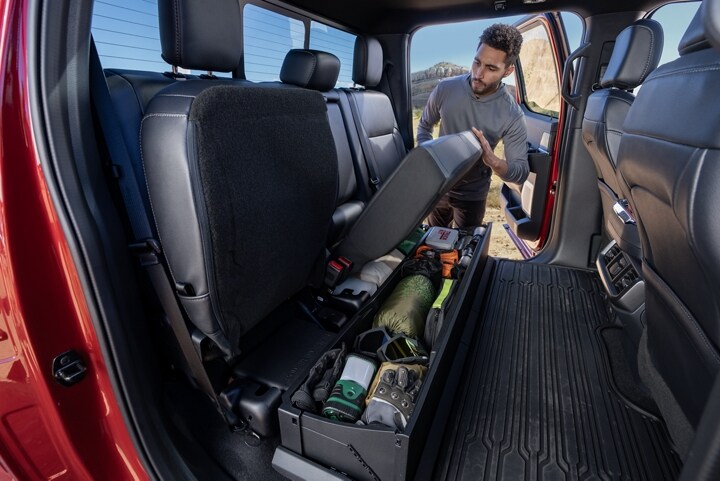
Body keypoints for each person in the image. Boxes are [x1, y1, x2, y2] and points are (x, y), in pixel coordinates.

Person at [416, 23, 529, 229]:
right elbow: (424, 126)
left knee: (464, 252)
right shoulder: (445, 88)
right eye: (477, 62)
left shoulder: (512, 114)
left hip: (473, 195)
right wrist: (429, 160)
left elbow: (520, 172)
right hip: (438, 187)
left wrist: (493, 162)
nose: (478, 73)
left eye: (491, 68)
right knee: (432, 245)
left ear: (508, 70)